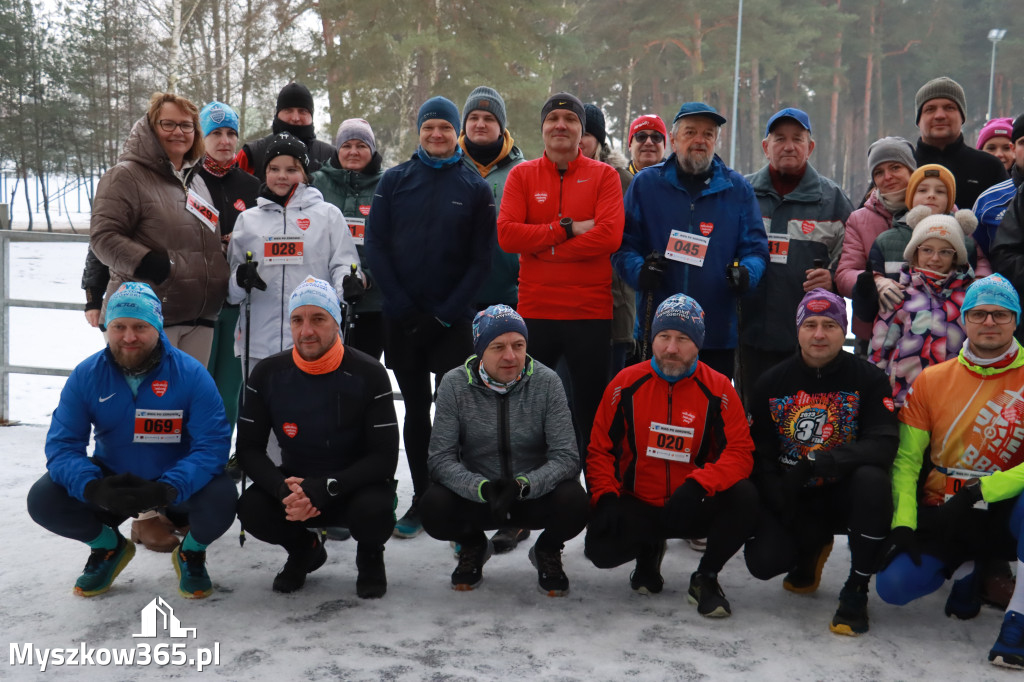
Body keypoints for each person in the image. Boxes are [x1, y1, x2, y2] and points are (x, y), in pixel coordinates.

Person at [27, 282, 235, 599]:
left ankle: (191, 553)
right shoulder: (87, 375)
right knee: (43, 499)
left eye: (140, 326)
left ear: (158, 326)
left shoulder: (190, 374)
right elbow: (63, 446)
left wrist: (169, 487)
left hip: (173, 484)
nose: (129, 337)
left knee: (222, 498)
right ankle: (108, 547)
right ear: (106, 328)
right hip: (112, 478)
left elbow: (213, 446)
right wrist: (92, 486)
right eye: (119, 326)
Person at [874, 274, 1024, 668]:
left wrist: (982, 491)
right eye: (978, 314)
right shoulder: (932, 379)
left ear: (1016, 320)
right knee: (893, 587)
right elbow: (906, 459)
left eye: (1000, 314)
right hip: (945, 509)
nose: (989, 322)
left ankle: (1018, 621)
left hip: (1007, 512)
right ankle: (967, 571)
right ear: (966, 320)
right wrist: (904, 522)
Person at [366, 96, 495, 538]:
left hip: (451, 321)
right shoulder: (395, 180)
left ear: (454, 132)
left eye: (444, 127)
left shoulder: (475, 187)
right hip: (401, 318)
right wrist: (401, 306)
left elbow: (481, 261)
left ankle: (456, 497)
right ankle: (422, 497)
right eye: (429, 128)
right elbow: (376, 247)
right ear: (419, 132)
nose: (436, 135)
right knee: (416, 411)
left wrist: (445, 314)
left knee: (455, 412)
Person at [585, 294, 756, 617]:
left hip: (692, 500)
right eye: (664, 337)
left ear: (699, 343)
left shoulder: (719, 388)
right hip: (638, 498)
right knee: (600, 551)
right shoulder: (625, 384)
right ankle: (648, 552)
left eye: (683, 338)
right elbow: (599, 449)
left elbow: (740, 452)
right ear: (653, 339)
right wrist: (606, 497)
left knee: (745, 497)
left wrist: (699, 485)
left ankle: (706, 576)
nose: (671, 348)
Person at [744, 288, 898, 635]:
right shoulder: (771, 382)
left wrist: (819, 462)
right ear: (797, 329)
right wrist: (776, 493)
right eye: (810, 324)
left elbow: (883, 443)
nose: (818, 334)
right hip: (793, 492)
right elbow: (757, 451)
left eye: (829, 325)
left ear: (843, 330)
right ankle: (810, 548)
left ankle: (857, 587)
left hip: (845, 492)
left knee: (873, 479)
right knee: (764, 562)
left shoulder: (870, 379)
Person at [235, 277, 399, 596]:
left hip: (354, 487)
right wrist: (282, 488)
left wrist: (327, 487)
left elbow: (384, 458)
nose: (306, 330)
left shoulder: (368, 372)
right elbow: (248, 448)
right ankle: (304, 549)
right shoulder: (268, 373)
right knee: (251, 508)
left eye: (318, 319)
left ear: (336, 323)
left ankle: (370, 554)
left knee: (377, 511)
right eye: (298, 320)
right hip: (297, 483)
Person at [420, 305, 588, 595]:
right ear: (480, 351)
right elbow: (440, 459)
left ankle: (547, 549)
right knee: (433, 506)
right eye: (498, 347)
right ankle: (473, 544)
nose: (510, 356)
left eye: (518, 345)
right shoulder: (454, 384)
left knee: (575, 500)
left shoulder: (547, 382)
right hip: (481, 495)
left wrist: (524, 485)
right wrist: (481, 488)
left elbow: (567, 456)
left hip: (532, 493)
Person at [497, 92, 624, 462]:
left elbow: (609, 237)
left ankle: (597, 499)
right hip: (537, 312)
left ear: (581, 131)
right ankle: (524, 502)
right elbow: (507, 235)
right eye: (553, 119)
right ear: (543, 129)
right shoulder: (522, 175)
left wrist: (541, 248)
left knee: (591, 416)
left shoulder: (605, 177)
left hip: (590, 314)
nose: (561, 126)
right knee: (527, 412)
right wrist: (565, 230)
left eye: (570, 120)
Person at [612, 101, 768, 377]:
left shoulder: (737, 188)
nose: (700, 140)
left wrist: (746, 274)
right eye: (691, 132)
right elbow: (624, 244)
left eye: (708, 134)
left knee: (708, 416)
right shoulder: (647, 184)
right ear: (673, 139)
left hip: (716, 333)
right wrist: (640, 271)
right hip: (659, 332)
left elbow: (755, 250)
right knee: (653, 411)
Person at [90, 92, 229, 367]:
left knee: (184, 407)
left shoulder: (196, 181)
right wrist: (147, 263)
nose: (178, 132)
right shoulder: (126, 175)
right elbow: (103, 237)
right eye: (169, 124)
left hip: (198, 319)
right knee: (148, 407)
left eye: (186, 125)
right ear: (151, 128)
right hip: (144, 319)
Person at [456, 86, 530, 554]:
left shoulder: (522, 172)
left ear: (502, 125)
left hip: (512, 303)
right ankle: (468, 511)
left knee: (516, 412)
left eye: (489, 117)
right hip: (459, 305)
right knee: (465, 410)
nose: (481, 124)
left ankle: (515, 510)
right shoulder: (449, 166)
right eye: (474, 117)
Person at [739, 108, 851, 404]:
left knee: (801, 424)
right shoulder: (742, 192)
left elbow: (854, 258)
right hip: (747, 339)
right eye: (779, 139)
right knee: (751, 423)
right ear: (766, 147)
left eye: (797, 139)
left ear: (810, 146)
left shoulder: (833, 200)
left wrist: (834, 279)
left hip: (809, 343)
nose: (788, 146)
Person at [228, 132, 362, 367]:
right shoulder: (247, 221)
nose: (282, 176)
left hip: (315, 341)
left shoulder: (328, 215)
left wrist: (349, 283)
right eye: (274, 169)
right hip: (260, 343)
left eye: (291, 170)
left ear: (305, 174)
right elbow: (232, 291)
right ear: (265, 172)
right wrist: (240, 279)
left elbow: (343, 265)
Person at [867, 206, 976, 407]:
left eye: (945, 252)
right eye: (927, 250)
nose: (935, 258)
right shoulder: (901, 295)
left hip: (954, 401)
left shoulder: (968, 299)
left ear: (956, 256)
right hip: (904, 398)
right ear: (915, 252)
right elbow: (879, 349)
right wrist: (874, 390)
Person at [196, 101, 260, 429]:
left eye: (231, 133)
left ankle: (219, 459)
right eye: (216, 133)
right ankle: (192, 456)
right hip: (196, 300)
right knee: (197, 384)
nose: (225, 141)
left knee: (229, 388)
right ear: (201, 137)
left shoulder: (251, 187)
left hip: (236, 301)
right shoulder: (186, 180)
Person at [311, 118, 387, 360]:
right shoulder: (317, 183)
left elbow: (395, 244)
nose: (353, 151)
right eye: (346, 145)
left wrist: (368, 278)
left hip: (372, 303)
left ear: (372, 150)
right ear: (337, 149)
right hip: (323, 298)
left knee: (363, 371)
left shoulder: (388, 185)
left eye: (361, 145)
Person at [835, 137, 918, 354]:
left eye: (895, 167)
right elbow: (844, 274)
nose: (887, 176)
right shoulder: (859, 218)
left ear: (912, 170)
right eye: (879, 172)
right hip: (873, 328)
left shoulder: (940, 205)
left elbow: (972, 259)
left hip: (931, 326)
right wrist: (875, 282)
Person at [578, 103, 635, 377]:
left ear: (599, 139)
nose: (578, 139)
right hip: (566, 306)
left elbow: (633, 239)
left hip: (612, 306)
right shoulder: (550, 178)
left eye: (586, 133)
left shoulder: (622, 180)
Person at [913, 76, 1007, 211]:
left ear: (962, 116)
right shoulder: (903, 168)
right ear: (918, 119)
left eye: (949, 108)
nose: (939, 115)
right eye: (930, 109)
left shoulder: (989, 167)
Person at [235, 82, 336, 181]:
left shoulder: (331, 156)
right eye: (288, 110)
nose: (295, 118)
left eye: (302, 111)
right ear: (278, 113)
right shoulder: (251, 154)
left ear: (311, 115)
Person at [978, 114, 1024, 258]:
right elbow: (978, 258)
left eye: (1004, 148)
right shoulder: (987, 200)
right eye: (1023, 142)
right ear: (1014, 148)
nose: (998, 154)